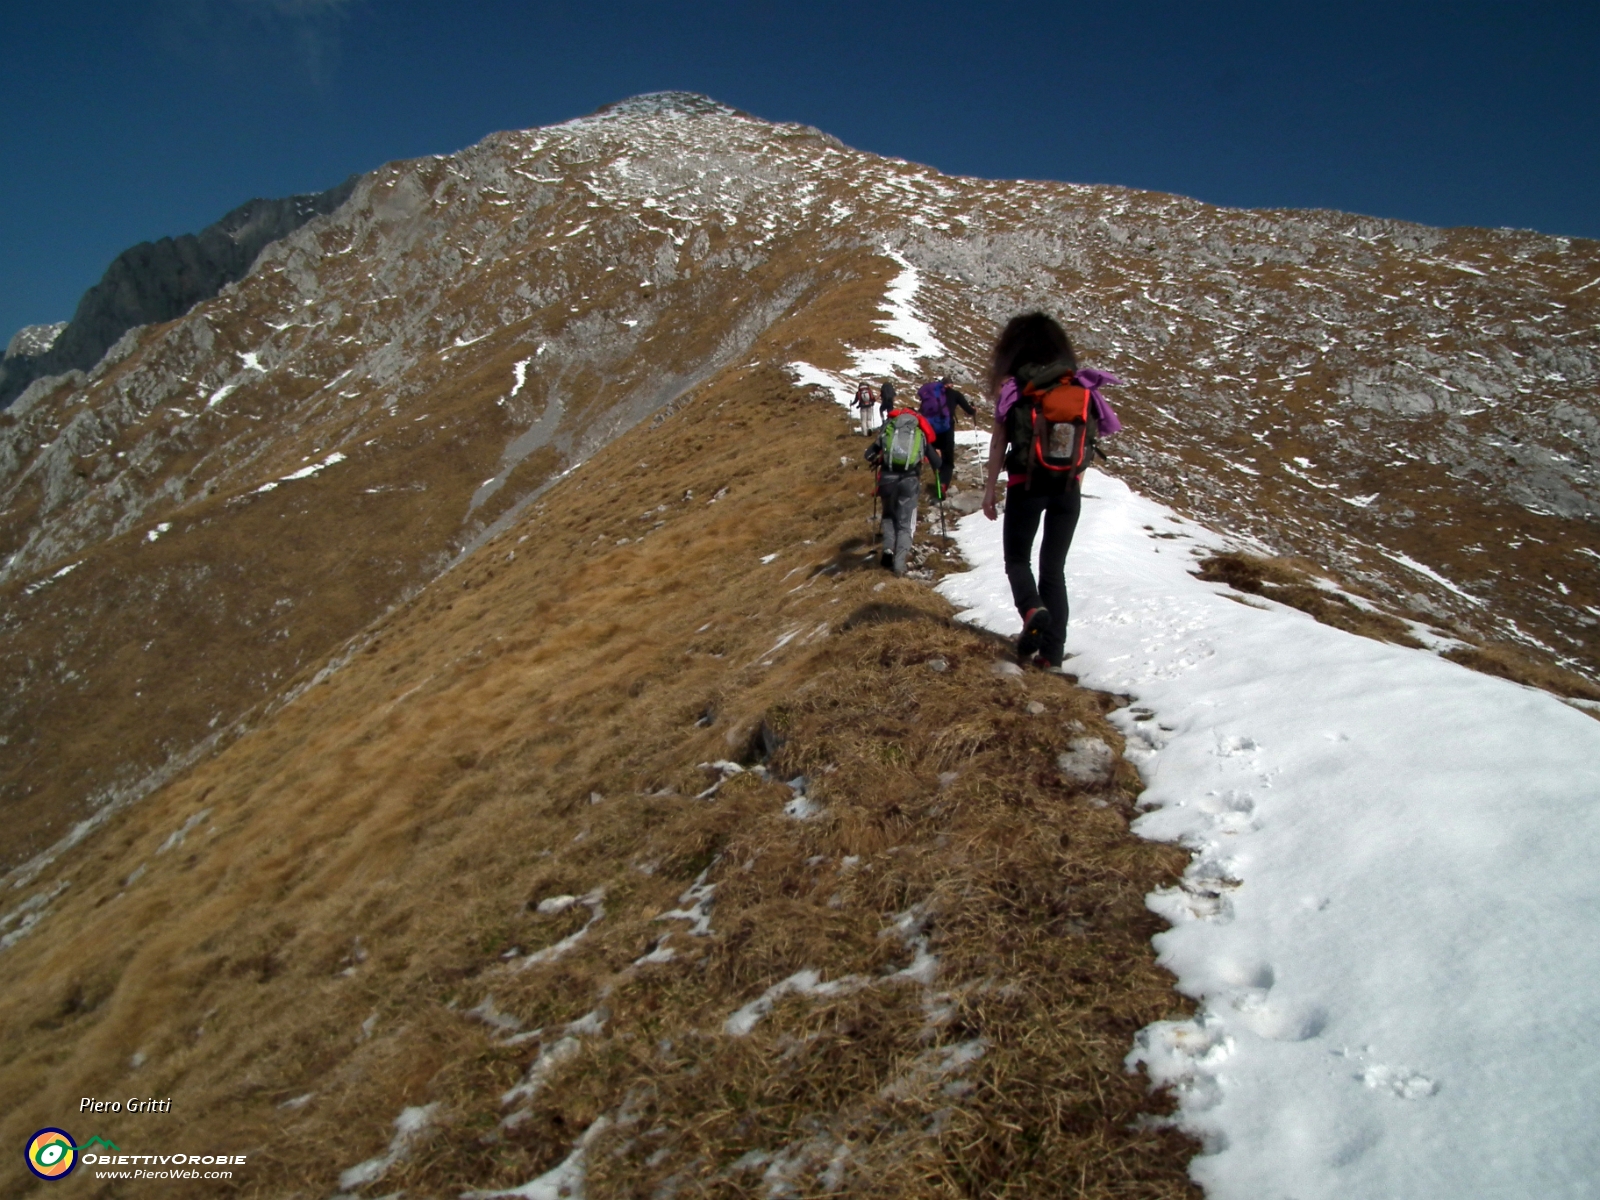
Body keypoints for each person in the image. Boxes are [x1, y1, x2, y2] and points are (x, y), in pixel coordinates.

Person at [979, 312, 1122, 670]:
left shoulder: (1016, 388)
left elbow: (999, 442)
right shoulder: (1080, 387)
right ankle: (1052, 656)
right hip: (1068, 488)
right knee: (1053, 569)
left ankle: (1032, 609)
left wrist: (989, 491)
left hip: (1026, 486)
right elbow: (1090, 441)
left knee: (1017, 560)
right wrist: (1073, 482)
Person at [866, 403, 942, 576]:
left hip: (887, 479)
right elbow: (937, 464)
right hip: (910, 480)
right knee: (905, 523)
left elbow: (868, 454)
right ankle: (899, 566)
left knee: (888, 515)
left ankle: (887, 550)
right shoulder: (919, 433)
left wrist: (880, 458)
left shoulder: (889, 429)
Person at [916, 376, 977, 495]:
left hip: (931, 430)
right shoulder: (955, 394)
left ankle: (938, 477)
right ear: (951, 385)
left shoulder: (932, 394)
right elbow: (969, 410)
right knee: (948, 460)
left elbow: (923, 411)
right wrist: (973, 410)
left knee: (934, 457)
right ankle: (943, 485)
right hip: (946, 429)